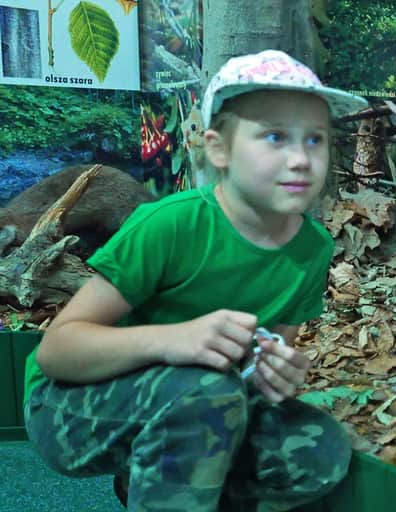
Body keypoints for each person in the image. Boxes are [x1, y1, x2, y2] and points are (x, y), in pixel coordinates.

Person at [22, 49, 368, 511]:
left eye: (315, 140)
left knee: (318, 448)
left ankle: (161, 479)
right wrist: (176, 340)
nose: (301, 159)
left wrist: (274, 374)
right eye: (274, 136)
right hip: (69, 402)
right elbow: (57, 351)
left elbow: (267, 357)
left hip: (200, 400)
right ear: (219, 149)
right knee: (207, 393)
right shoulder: (169, 225)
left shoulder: (313, 248)